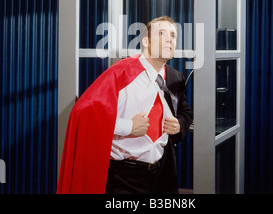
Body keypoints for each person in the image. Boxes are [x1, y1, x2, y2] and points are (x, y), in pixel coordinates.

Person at [57, 16, 193, 194]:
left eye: (173, 35)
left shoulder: (176, 77)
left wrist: (179, 125)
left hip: (162, 173)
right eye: (161, 33)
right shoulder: (122, 72)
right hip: (124, 177)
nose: (169, 39)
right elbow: (83, 114)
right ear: (145, 41)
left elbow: (186, 111)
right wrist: (128, 127)